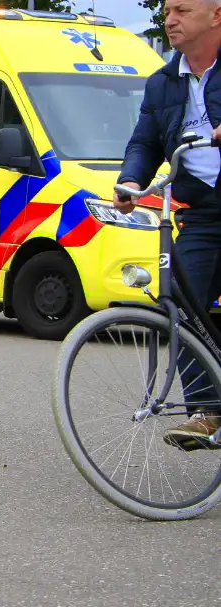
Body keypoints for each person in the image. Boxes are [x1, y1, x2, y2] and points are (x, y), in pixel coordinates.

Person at [115, 0, 221, 450]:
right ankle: (205, 413)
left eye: (181, 9)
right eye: (166, 10)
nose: (169, 19)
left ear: (216, 15)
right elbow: (145, 141)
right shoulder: (161, 82)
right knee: (180, 299)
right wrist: (130, 179)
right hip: (201, 209)